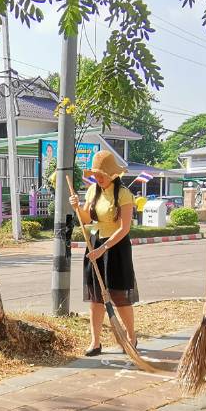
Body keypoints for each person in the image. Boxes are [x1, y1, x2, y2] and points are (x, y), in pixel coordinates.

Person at [70, 150, 139, 357]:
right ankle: (96, 341)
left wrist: (104, 248)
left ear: (111, 174)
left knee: (118, 295)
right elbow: (87, 220)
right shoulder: (92, 190)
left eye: (101, 175)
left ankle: (131, 336)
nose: (97, 178)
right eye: (95, 175)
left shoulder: (124, 194)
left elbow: (124, 228)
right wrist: (77, 207)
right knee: (95, 295)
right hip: (94, 243)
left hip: (115, 247)